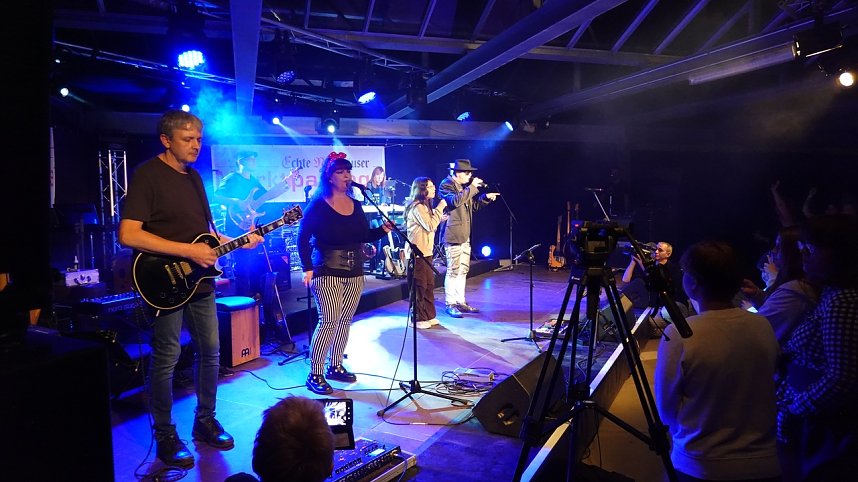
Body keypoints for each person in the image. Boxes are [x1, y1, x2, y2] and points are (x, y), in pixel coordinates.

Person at [118, 110, 263, 468]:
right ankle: (166, 434)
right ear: (166, 140)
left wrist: (237, 241)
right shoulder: (147, 175)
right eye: (187, 139)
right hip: (162, 279)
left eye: (199, 138)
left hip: (200, 280)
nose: (196, 145)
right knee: (166, 358)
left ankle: (205, 421)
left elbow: (205, 236)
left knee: (211, 352)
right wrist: (188, 251)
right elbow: (129, 234)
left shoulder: (196, 178)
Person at [655, 240, 781, 482]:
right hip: (765, 463)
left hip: (700, 464)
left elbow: (667, 411)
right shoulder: (762, 325)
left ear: (693, 282)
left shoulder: (680, 332)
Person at [297, 152, 393, 395]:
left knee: (344, 321)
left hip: (355, 270)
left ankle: (335, 365)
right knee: (329, 320)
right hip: (327, 269)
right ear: (329, 177)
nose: (347, 176)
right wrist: (307, 268)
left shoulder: (357, 204)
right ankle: (315, 372)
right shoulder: (318, 205)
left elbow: (362, 236)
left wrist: (382, 229)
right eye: (341, 171)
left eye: (348, 171)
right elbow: (302, 237)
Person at [777, 214, 858, 481]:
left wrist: (795, 407)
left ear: (841, 254)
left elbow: (844, 377)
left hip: (824, 430)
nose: (803, 255)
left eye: (811, 249)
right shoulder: (832, 294)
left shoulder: (843, 301)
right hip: (817, 425)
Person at [213, 151, 293, 299]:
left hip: (251, 224)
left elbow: (267, 196)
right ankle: (243, 297)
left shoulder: (253, 180)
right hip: (236, 223)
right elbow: (216, 196)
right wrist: (237, 202)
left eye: (255, 159)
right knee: (242, 262)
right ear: (241, 161)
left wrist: (285, 184)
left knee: (254, 261)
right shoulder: (232, 178)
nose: (254, 162)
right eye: (251, 159)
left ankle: (255, 296)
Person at [437, 159, 497, 318]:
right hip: (453, 234)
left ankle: (460, 301)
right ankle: (450, 303)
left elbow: (473, 207)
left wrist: (485, 198)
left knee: (463, 269)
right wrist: (472, 187)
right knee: (453, 269)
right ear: (456, 173)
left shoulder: (464, 189)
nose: (470, 175)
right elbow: (454, 201)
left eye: (470, 173)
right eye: (467, 172)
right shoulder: (446, 185)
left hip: (465, 234)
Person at [740, 226, 818, 346]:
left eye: (779, 247)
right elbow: (777, 315)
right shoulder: (795, 287)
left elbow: (759, 327)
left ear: (792, 253)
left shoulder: (794, 290)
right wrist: (756, 295)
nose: (774, 251)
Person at [404, 177, 447, 329]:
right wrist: (440, 208)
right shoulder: (417, 206)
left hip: (426, 253)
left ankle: (429, 315)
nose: (434, 188)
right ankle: (417, 317)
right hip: (416, 255)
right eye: (430, 186)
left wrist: (438, 217)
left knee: (429, 285)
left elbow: (429, 224)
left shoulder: (425, 206)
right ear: (422, 189)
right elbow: (429, 225)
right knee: (419, 286)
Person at [620, 241, 689, 316]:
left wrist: (642, 264)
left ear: (668, 254)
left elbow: (658, 283)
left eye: (660, 250)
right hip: (647, 301)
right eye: (655, 249)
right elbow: (625, 280)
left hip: (663, 304)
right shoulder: (650, 265)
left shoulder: (672, 269)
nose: (656, 252)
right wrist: (633, 261)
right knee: (636, 283)